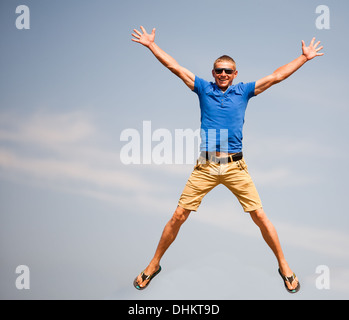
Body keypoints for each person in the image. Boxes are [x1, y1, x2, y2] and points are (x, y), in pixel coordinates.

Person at [131, 26, 324, 294]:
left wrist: (303, 58)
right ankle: (154, 264)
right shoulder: (202, 88)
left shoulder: (243, 91)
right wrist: (152, 46)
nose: (223, 74)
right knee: (178, 215)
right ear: (213, 73)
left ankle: (284, 265)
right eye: (218, 70)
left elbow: (276, 76)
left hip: (235, 166)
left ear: (235, 75)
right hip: (206, 166)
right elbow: (175, 67)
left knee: (259, 215)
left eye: (227, 71)